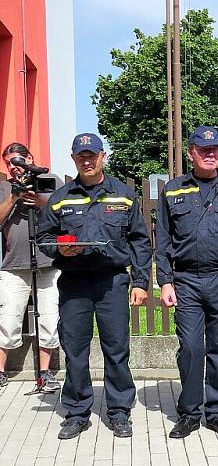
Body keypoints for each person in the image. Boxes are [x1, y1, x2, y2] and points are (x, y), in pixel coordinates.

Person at [37, 133, 151, 439]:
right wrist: (59, 249)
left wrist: (141, 282)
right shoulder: (61, 198)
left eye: (92, 155)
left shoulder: (124, 195)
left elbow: (140, 241)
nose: (87, 161)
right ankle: (76, 411)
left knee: (116, 348)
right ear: (73, 159)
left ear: (103, 156)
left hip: (112, 281)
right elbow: (44, 238)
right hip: (74, 283)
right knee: (75, 349)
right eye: (81, 156)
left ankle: (119, 411)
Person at [156, 126, 218, 439]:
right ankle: (189, 413)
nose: (210, 154)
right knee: (191, 348)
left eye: (215, 149)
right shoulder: (173, 189)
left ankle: (216, 412)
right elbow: (162, 238)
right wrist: (165, 280)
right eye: (203, 149)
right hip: (185, 280)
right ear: (191, 153)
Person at [0, 143, 62, 391]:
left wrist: (38, 202)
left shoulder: (51, 180)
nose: (13, 167)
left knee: (48, 317)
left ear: (29, 158)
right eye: (8, 164)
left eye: (17, 161)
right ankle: (1, 371)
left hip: (48, 263)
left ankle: (45, 373)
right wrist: (14, 196)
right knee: (8, 318)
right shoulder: (4, 187)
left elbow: (64, 213)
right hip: (14, 264)